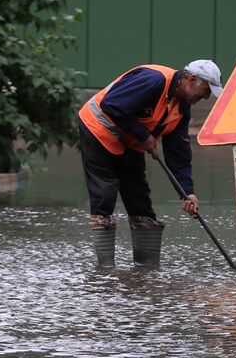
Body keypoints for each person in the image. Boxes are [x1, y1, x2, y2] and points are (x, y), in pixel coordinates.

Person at [78, 60, 223, 267]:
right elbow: (111, 104)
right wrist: (143, 135)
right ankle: (105, 270)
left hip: (131, 140)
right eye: (206, 90)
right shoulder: (153, 80)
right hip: (98, 128)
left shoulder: (182, 108)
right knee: (105, 192)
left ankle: (146, 269)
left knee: (139, 198)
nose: (207, 97)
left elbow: (178, 153)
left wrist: (186, 191)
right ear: (191, 80)